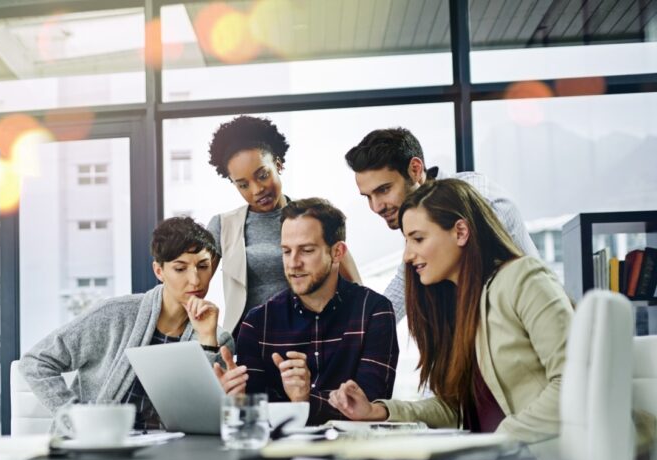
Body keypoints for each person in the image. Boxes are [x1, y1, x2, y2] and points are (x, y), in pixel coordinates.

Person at [328, 178, 572, 443]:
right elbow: (456, 409)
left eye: (418, 239)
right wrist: (379, 411)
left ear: (460, 232)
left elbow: (574, 383)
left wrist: (500, 440)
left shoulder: (524, 279)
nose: (408, 256)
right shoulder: (456, 306)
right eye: (407, 242)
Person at [20, 217, 234, 433]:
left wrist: (207, 340)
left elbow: (201, 419)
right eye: (180, 269)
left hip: (167, 456)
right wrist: (77, 421)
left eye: (203, 266)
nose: (195, 280)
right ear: (159, 271)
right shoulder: (114, 315)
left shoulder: (219, 339)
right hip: (98, 447)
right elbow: (36, 362)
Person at [214, 198, 398, 425]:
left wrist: (303, 401)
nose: (293, 263)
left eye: (306, 250)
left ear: (338, 252)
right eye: (286, 251)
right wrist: (238, 400)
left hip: (352, 453)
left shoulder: (374, 312)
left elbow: (369, 408)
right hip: (276, 456)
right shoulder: (256, 324)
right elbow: (257, 414)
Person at [344, 127, 540, 320]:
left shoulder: (475, 199)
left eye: (384, 190)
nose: (376, 207)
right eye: (368, 197)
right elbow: (402, 287)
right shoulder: (420, 216)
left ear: (415, 169)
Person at [206, 116, 364, 333]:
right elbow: (189, 287)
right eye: (243, 185)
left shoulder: (314, 218)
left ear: (278, 165)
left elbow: (355, 287)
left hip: (309, 340)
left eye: (262, 175)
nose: (256, 190)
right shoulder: (223, 226)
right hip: (249, 345)